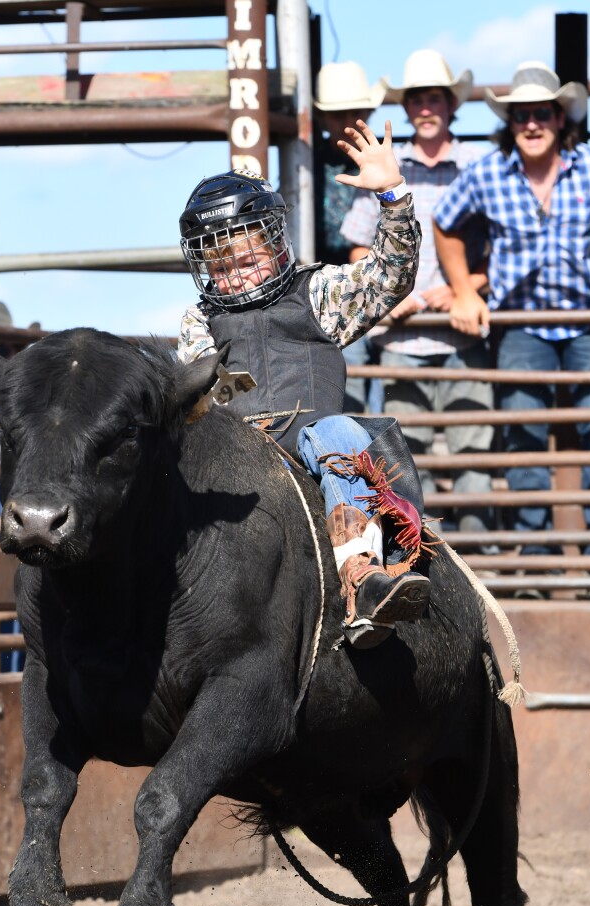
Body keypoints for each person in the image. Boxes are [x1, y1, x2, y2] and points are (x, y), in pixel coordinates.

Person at [177, 123, 423, 648]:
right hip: (237, 458)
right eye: (223, 268)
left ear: (274, 243)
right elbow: (194, 400)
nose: (238, 275)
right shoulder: (199, 322)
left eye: (248, 259)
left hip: (315, 445)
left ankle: (363, 575)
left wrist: (392, 197)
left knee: (337, 431)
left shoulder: (319, 291)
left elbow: (390, 276)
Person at [434, 61, 590, 590]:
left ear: (561, 119)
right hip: (522, 324)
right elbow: (445, 225)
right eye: (521, 116)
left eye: (542, 114)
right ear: (510, 122)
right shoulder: (488, 173)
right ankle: (535, 566)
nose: (532, 124)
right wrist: (466, 290)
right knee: (523, 440)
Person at [340, 49, 494, 539]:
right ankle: (415, 565)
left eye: (435, 99)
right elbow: (359, 248)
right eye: (417, 101)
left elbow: (501, 246)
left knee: (474, 457)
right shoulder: (388, 165)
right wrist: (387, 294)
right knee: (404, 465)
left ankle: (483, 567)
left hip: (460, 336)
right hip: (401, 342)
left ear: (451, 106)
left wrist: (466, 288)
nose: (426, 109)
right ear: (407, 110)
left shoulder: (478, 165)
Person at [313, 61, 388, 410]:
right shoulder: (306, 165)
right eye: (336, 114)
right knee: (351, 394)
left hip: (389, 284)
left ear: (368, 113)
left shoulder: (386, 161)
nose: (346, 122)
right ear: (324, 119)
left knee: (394, 396)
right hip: (338, 292)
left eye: (355, 113)